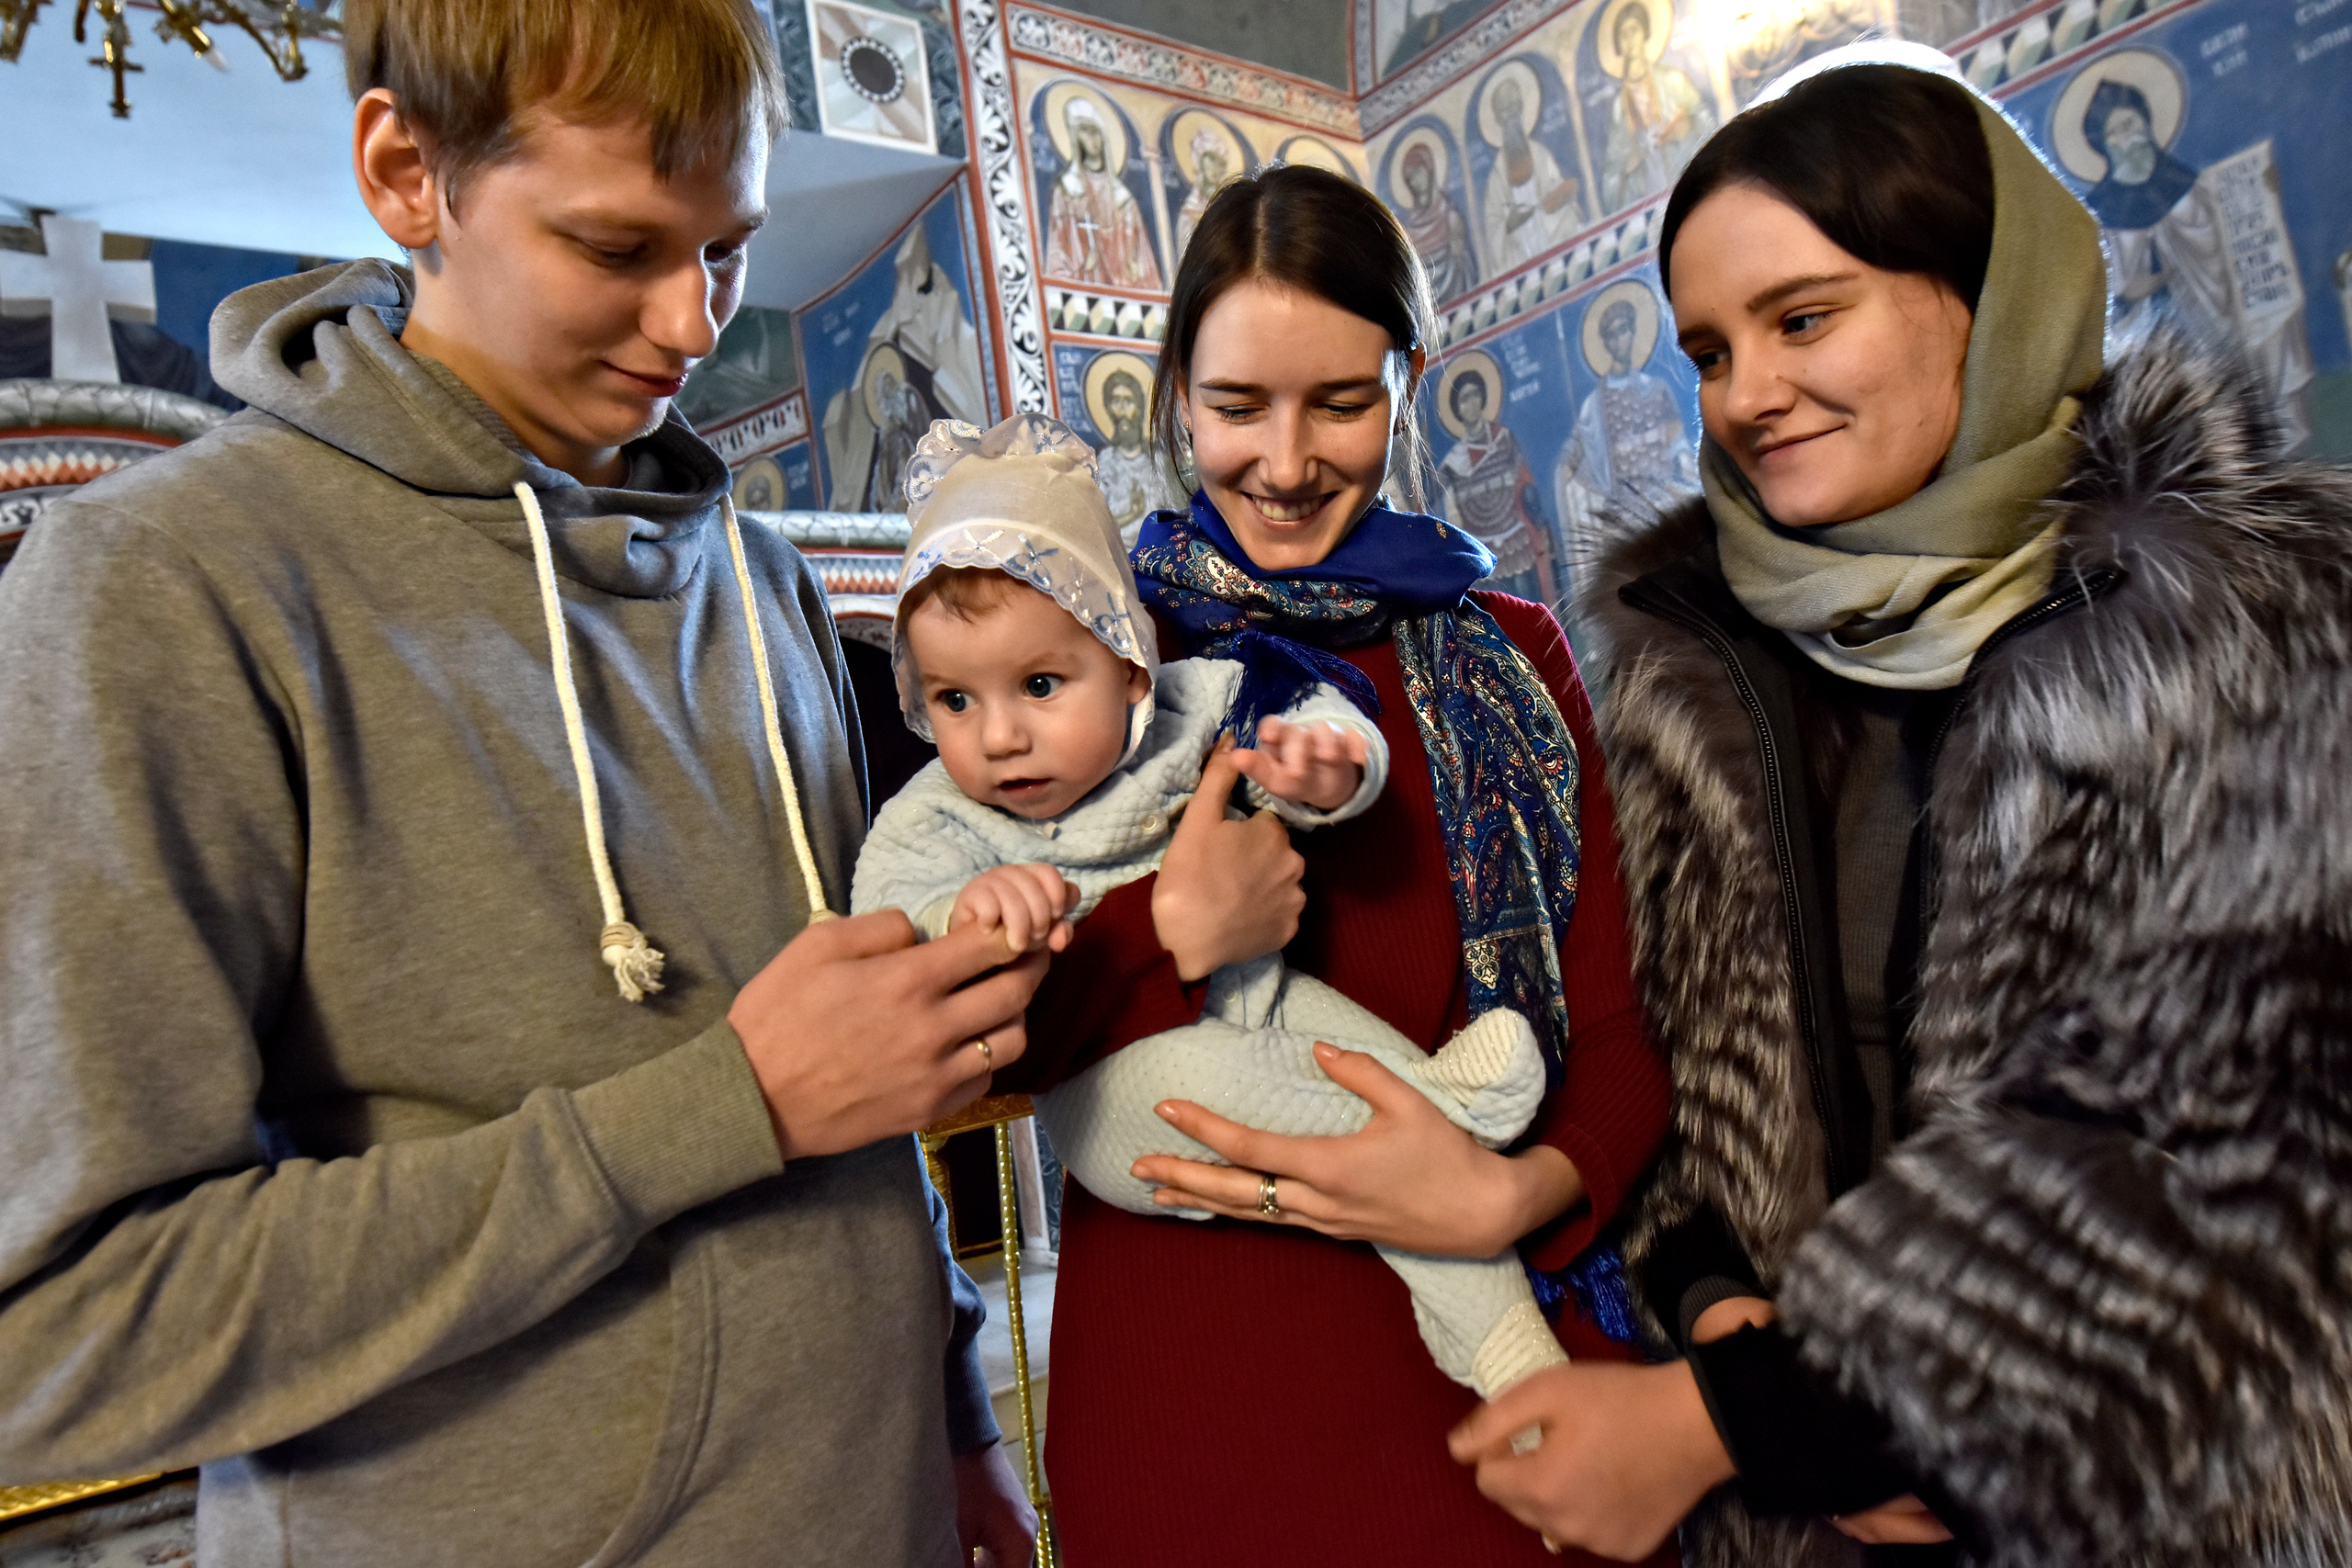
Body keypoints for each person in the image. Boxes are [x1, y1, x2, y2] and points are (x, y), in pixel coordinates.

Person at [0, 2, 1043, 1564]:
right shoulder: (160, 584)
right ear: (406, 173)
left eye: (729, 246)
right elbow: (72, 1334)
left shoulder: (761, 584)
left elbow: (864, 1088)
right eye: (619, 249)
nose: (697, 325)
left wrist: (951, 1417)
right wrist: (723, 1106)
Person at [1447, 49, 2352, 1568]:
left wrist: (1745, 1418)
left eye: (1805, 319)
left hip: (2161, 1485)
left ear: (1987, 293)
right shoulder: (1696, 666)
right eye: (1710, 350)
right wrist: (1714, 1288)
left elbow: (2233, 1134)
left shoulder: (2251, 624)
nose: (1749, 394)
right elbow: (1671, 1043)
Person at [994, 163, 1674, 1566]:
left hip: (1487, 1405)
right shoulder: (1081, 657)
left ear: (1408, 381)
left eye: (1342, 402)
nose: (1287, 462)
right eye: (1239, 405)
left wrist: (1515, 1189)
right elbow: (983, 1039)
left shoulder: (1513, 656)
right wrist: (1168, 930)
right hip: (1188, 1430)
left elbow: (1615, 1029)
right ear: (1177, 387)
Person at [856, 412, 1575, 1401]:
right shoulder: (937, 816)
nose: (999, 738)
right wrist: (966, 914)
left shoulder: (1187, 708)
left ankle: (1492, 1296)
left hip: (1263, 993)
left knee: (1356, 1074)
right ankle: (1467, 1198)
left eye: (1036, 684)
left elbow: (1304, 714)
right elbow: (886, 933)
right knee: (1378, 1154)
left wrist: (1330, 764)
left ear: (1127, 662)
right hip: (1123, 1087)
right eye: (953, 701)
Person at [1044, 96, 1163, 290]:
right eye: (1085, 131)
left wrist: (1133, 270)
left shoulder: (1124, 200)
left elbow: (1145, 267)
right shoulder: (1066, 191)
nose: (1093, 139)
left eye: (1096, 132)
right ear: (1075, 137)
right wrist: (1082, 269)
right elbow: (1057, 261)